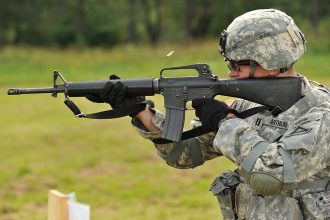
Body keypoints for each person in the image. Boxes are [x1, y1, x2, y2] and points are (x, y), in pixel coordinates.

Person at [89, 9, 330, 219]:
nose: (232, 73)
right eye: (229, 64)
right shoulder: (245, 106)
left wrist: (225, 122)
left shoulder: (321, 112)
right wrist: (140, 111)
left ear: (273, 62)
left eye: (238, 65)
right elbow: (185, 154)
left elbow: (271, 175)